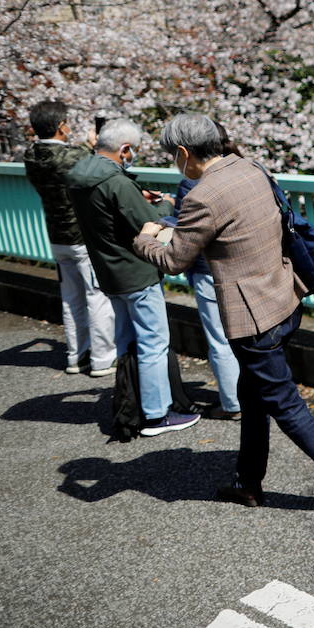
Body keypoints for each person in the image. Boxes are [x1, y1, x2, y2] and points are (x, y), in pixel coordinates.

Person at [131, 113, 314, 510]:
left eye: (174, 156)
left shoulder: (203, 195)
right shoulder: (250, 168)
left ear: (184, 153)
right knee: (252, 394)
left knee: (283, 401)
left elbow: (173, 260)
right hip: (284, 297)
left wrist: (145, 237)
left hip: (252, 319)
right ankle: (248, 482)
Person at [65, 118, 200, 437]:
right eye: (133, 151)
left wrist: (138, 197)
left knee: (126, 341)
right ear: (124, 149)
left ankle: (132, 404)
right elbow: (147, 225)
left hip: (108, 271)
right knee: (153, 342)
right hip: (136, 272)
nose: (133, 156)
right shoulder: (117, 183)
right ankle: (157, 413)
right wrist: (165, 203)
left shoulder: (78, 176)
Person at [22, 101, 116, 378]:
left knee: (71, 299)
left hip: (57, 236)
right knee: (96, 296)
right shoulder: (74, 155)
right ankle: (102, 359)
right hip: (82, 237)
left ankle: (76, 356)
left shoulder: (31, 155)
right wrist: (95, 145)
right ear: (62, 126)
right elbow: (99, 168)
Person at [162, 121, 242, 420]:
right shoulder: (245, 170)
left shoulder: (192, 183)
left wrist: (160, 223)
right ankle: (258, 395)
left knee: (221, 340)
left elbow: (188, 233)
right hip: (244, 268)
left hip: (208, 271)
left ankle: (233, 404)